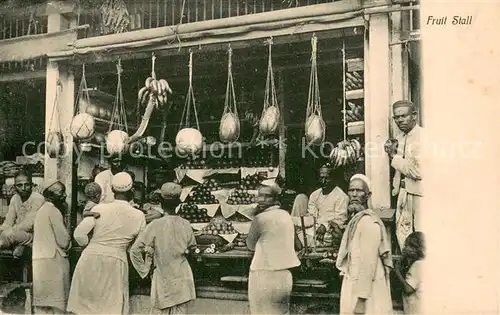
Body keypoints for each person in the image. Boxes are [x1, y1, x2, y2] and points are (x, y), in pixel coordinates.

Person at [67, 172, 146, 314]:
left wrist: (91, 245)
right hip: (115, 262)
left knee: (86, 308)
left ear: (112, 190)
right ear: (132, 191)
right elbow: (138, 247)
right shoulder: (139, 215)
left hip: (90, 258)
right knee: (110, 308)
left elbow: (79, 235)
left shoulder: (99, 209)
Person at [130, 182, 196, 314]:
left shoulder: (155, 225)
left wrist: (145, 270)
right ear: (178, 203)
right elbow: (192, 249)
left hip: (163, 277)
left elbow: (135, 250)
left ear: (161, 202)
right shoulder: (186, 224)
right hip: (182, 278)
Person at [336, 174, 393, 315]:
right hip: (355, 284)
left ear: (368, 195)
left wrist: (361, 302)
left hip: (367, 293)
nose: (354, 194)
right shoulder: (356, 221)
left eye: (359, 190)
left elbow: (368, 263)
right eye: (351, 190)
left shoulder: (369, 222)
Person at [246, 183, 301, 315]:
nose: (262, 200)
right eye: (260, 196)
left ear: (275, 199)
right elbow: (298, 245)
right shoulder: (286, 215)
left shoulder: (259, 219)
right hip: (284, 276)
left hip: (263, 275)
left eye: (267, 196)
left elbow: (250, 245)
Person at [384, 100, 423, 251]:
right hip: (402, 194)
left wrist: (393, 157)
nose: (399, 120)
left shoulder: (423, 137)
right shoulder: (399, 138)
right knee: (403, 237)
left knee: (420, 236)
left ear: (414, 116)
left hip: (419, 195)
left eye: (403, 116)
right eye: (396, 117)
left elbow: (418, 172)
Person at [32, 179, 71, 314]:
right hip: (54, 262)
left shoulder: (42, 210)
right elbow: (64, 241)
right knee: (57, 307)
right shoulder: (53, 211)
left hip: (40, 262)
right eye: (61, 192)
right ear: (49, 196)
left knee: (42, 306)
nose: (65, 195)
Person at [292, 165, 349, 247]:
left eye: (327, 178)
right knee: (293, 232)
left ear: (333, 179)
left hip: (330, 232)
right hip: (314, 229)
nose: (323, 181)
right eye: (321, 178)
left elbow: (340, 220)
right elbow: (312, 218)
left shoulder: (341, 197)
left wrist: (325, 226)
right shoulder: (315, 195)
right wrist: (294, 221)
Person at [0, 169, 45, 257]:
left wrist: (9, 230)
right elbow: (8, 223)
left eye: (27, 185)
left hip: (35, 236)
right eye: (19, 185)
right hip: (19, 233)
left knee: (9, 234)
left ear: (32, 185)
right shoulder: (15, 198)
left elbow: (28, 225)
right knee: (8, 233)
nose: (23, 188)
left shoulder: (38, 198)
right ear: (14, 187)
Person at [393, 231, 424, 314]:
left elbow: (408, 289)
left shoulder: (417, 265)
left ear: (415, 248)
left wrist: (397, 272)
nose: (405, 248)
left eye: (407, 246)